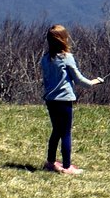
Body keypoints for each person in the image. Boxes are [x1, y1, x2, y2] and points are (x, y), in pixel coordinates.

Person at [40, 24, 102, 175]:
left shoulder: (45, 59)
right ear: (63, 39)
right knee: (66, 133)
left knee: (56, 131)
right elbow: (80, 80)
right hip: (64, 101)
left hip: (50, 100)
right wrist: (95, 81)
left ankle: (50, 162)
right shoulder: (67, 58)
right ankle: (67, 167)